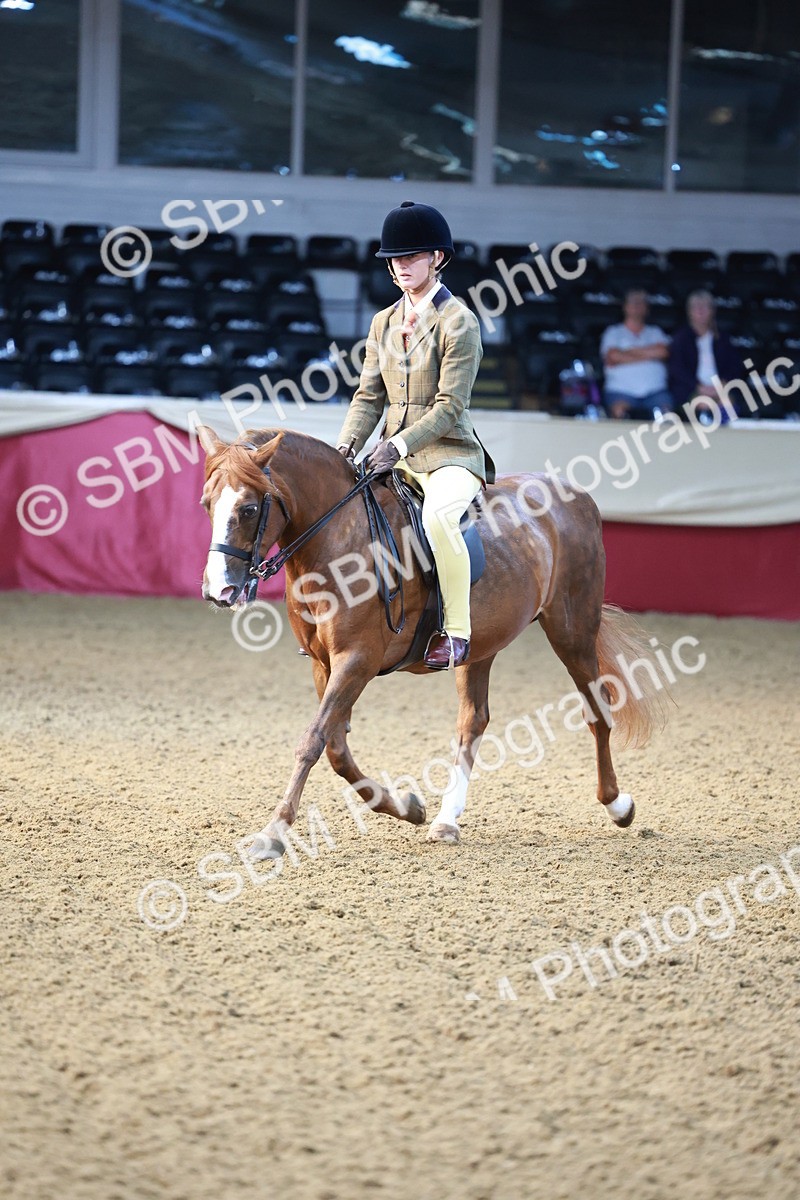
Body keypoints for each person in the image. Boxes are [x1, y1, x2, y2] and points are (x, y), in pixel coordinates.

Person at [336, 200, 495, 671]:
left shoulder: (459, 322)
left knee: (440, 519)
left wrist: (399, 445)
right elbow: (368, 396)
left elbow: (450, 408)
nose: (402, 265)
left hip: (449, 455)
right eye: (395, 258)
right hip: (392, 455)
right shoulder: (382, 322)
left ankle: (458, 633)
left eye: (413, 256)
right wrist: (345, 447)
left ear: (437, 259)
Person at [668, 290, 744, 417]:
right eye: (696, 307)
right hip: (692, 390)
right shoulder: (681, 338)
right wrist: (699, 387)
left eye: (704, 307)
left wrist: (722, 384)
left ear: (712, 311)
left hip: (720, 389)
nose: (700, 311)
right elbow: (677, 370)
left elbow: (734, 366)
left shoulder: (722, 338)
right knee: (704, 404)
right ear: (689, 312)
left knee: (728, 405)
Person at [600, 289, 673, 419]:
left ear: (647, 308)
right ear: (625, 307)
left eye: (641, 303)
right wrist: (650, 353)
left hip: (655, 392)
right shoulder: (613, 332)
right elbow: (613, 356)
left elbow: (663, 352)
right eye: (633, 302)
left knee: (666, 415)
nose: (637, 306)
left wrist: (628, 352)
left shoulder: (655, 332)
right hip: (621, 391)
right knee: (619, 412)